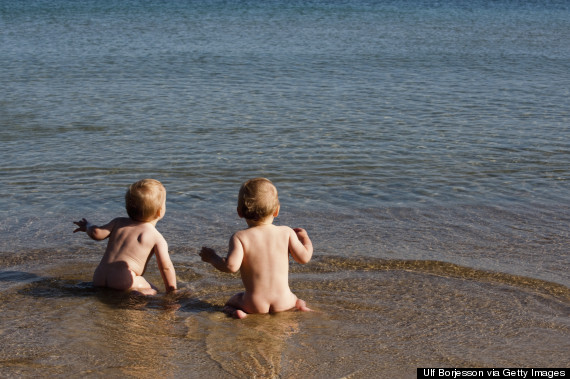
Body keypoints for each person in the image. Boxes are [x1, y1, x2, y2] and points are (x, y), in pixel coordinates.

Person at [200, 177, 313, 318]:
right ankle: (301, 307)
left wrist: (212, 258)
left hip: (254, 303)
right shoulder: (286, 232)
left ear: (239, 212)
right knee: (296, 299)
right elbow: (304, 258)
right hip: (284, 301)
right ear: (277, 210)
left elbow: (231, 267)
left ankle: (237, 313)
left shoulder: (240, 237)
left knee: (231, 302)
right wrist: (305, 238)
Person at [73, 179, 177, 295]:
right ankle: (137, 295)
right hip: (123, 280)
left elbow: (96, 233)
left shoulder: (118, 222)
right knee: (153, 290)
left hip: (99, 277)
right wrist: (171, 291)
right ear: (160, 211)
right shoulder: (156, 237)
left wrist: (88, 225)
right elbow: (166, 268)